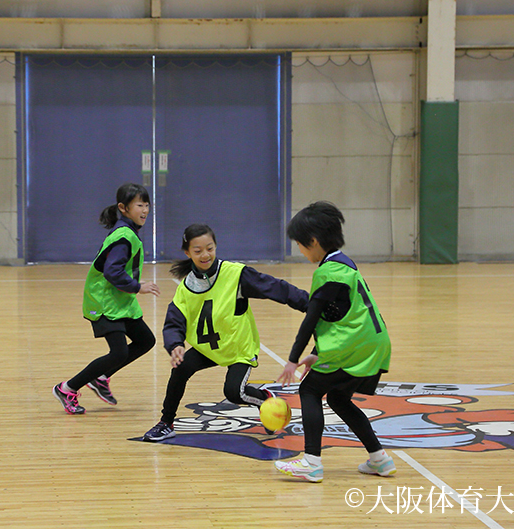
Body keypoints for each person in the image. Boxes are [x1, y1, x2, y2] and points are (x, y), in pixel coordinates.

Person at [143, 223, 310, 442]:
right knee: (180, 369)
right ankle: (166, 422)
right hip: (208, 348)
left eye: (210, 248)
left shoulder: (236, 275)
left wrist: (312, 305)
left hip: (238, 347)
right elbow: (174, 321)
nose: (205, 255)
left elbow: (276, 288)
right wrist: (175, 344)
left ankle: (266, 398)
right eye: (198, 251)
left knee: (234, 393)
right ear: (187, 253)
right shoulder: (186, 287)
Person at [274, 201, 393, 483]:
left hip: (355, 347)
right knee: (339, 398)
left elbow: (312, 319)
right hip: (372, 343)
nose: (300, 250)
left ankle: (312, 462)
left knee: (309, 391)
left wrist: (293, 359)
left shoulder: (327, 273)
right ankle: (380, 459)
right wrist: (317, 353)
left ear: (313, 241)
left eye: (300, 245)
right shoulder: (344, 264)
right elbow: (338, 316)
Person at [53, 183, 160, 414]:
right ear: (123, 208)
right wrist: (138, 287)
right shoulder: (123, 236)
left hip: (120, 302)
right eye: (139, 205)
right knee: (119, 352)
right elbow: (112, 272)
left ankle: (101, 378)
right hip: (103, 302)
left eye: (146, 205)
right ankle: (67, 388)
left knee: (145, 341)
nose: (144, 210)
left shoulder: (129, 232)